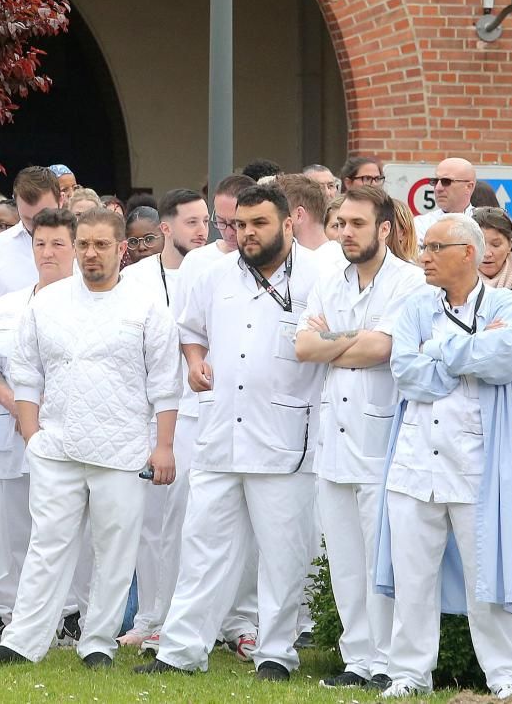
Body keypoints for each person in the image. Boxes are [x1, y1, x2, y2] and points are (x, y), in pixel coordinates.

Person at [0, 208, 180, 669]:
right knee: (47, 544)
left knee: (114, 548)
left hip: (122, 449)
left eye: (101, 245)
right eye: (84, 244)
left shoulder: (147, 305)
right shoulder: (47, 304)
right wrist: (32, 436)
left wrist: (163, 445)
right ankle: (24, 640)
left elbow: (166, 383)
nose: (91, 253)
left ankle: (98, 642)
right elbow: (25, 374)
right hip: (57, 447)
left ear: (121, 249)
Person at [137, 184, 325, 681]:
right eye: (240, 225)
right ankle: (180, 651)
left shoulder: (320, 274)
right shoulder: (213, 273)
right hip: (220, 432)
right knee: (202, 546)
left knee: (283, 555)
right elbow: (191, 332)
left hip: (285, 436)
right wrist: (196, 364)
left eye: (259, 224)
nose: (247, 234)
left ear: (289, 223)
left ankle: (277, 654)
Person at [374, 213, 512, 699]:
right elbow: (405, 371)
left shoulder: (509, 304)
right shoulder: (416, 304)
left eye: (435, 248)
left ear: (468, 252)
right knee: (412, 576)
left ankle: (506, 677)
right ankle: (408, 674)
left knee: (489, 577)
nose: (424, 257)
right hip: (416, 463)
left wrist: (438, 348)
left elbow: (504, 360)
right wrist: (463, 358)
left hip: (478, 466)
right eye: (424, 248)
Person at [294, 186, 424, 690]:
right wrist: (350, 342)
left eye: (356, 224)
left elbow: (385, 348)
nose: (345, 232)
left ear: (385, 228)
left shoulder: (410, 283)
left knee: (384, 561)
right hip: (333, 441)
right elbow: (303, 345)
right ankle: (358, 661)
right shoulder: (330, 280)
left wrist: (336, 342)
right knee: (346, 561)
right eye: (339, 223)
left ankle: (390, 662)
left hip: (383, 439)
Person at [0, 207, 78, 646]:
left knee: (65, 527)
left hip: (65, 429)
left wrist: (37, 410)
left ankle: (70, 614)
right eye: (40, 243)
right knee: (12, 526)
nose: (47, 252)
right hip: (9, 428)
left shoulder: (86, 301)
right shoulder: (9, 303)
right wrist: (18, 407)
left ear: (73, 247)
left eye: (57, 244)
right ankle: (14, 615)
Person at [118, 190, 209, 648]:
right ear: (167, 229)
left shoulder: (214, 272)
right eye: (191, 222)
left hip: (198, 411)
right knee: (150, 521)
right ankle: (150, 616)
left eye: (206, 221)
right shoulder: (134, 279)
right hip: (148, 412)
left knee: (191, 520)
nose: (201, 230)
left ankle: (191, 616)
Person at [0, 167, 63, 309]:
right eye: (28, 219)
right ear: (16, 204)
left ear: (61, 200)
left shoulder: (83, 245)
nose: (37, 226)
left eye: (45, 216)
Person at [413, 157, 477, 249]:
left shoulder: (484, 224)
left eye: (446, 182)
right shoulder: (420, 225)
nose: (438, 188)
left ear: (469, 187)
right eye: (435, 181)